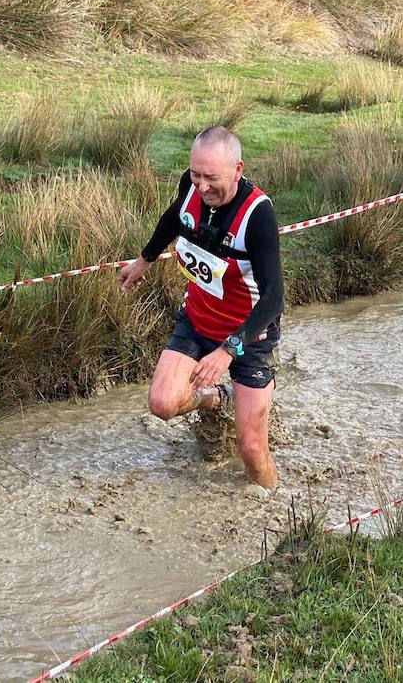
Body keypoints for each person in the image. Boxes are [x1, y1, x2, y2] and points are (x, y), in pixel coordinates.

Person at [118, 126, 284, 496]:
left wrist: (228, 350)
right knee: (161, 404)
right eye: (196, 175)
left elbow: (274, 300)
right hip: (196, 320)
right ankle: (218, 398)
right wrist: (143, 261)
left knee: (252, 449)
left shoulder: (257, 216)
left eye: (212, 178)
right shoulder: (191, 186)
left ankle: (276, 513)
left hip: (248, 335)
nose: (203, 187)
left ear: (237, 170)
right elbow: (174, 217)